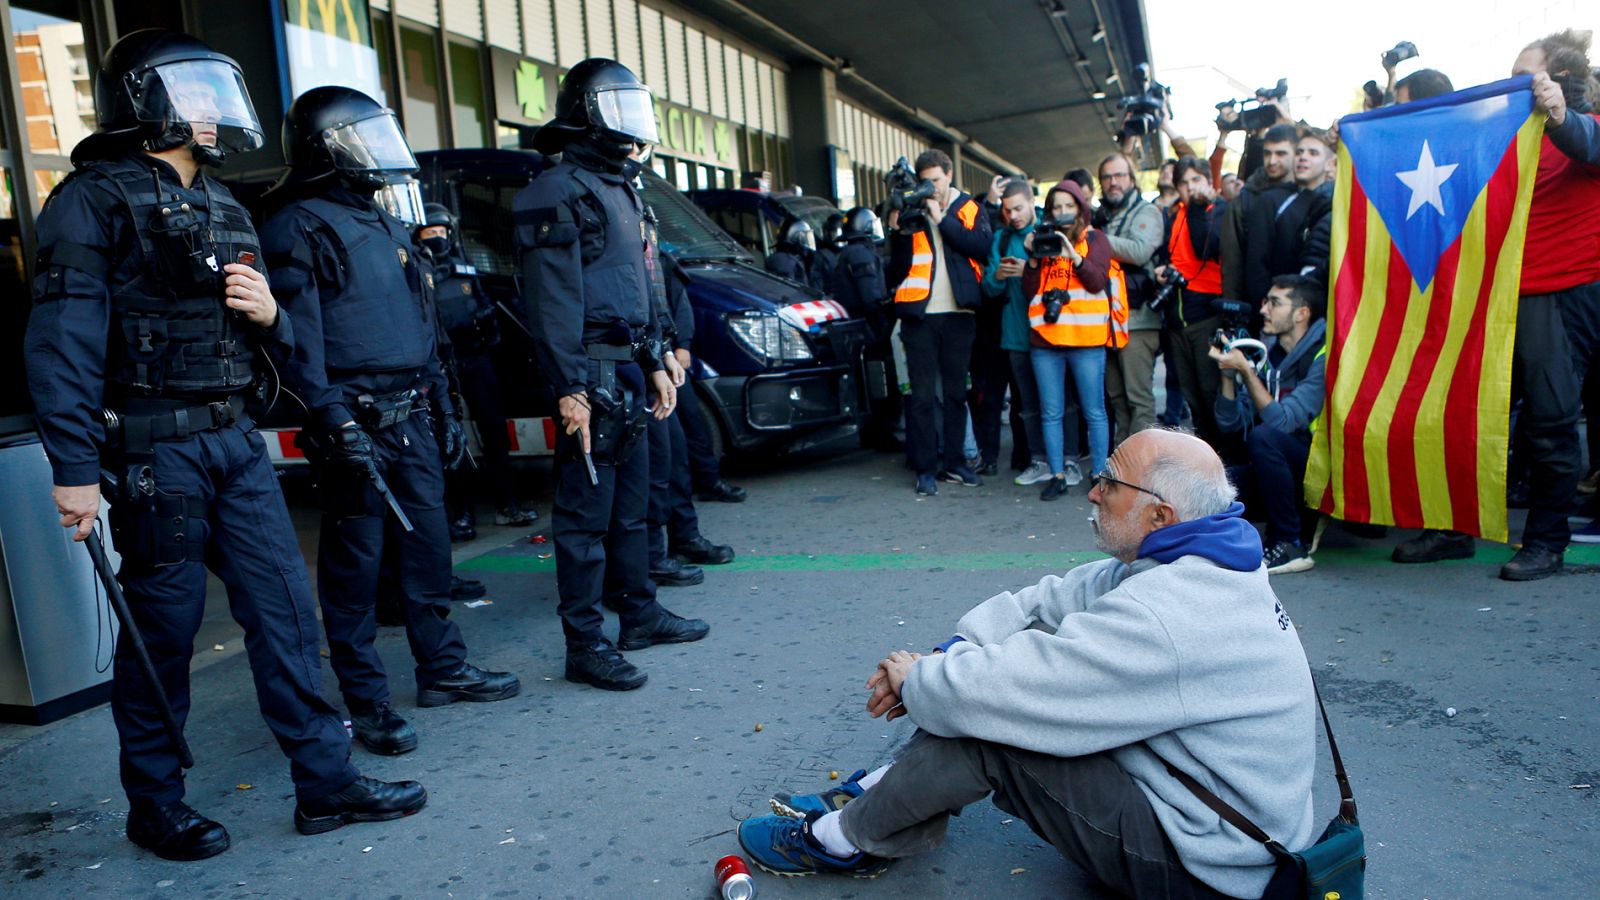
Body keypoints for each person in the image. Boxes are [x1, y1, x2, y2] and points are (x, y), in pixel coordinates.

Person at [24, 29, 426, 859]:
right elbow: (62, 346)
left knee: (286, 615)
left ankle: (326, 781)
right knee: (163, 635)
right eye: (196, 93)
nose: (212, 110)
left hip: (234, 444)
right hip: (155, 456)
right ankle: (155, 805)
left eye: (216, 94)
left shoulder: (227, 204)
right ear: (146, 101)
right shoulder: (90, 202)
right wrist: (73, 470)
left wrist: (272, 316)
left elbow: (277, 347)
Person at [734, 429, 1317, 898]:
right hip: (1209, 815)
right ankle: (880, 791)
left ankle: (842, 840)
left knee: (993, 728)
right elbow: (1048, 602)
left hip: (1212, 866)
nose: (1092, 493)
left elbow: (1001, 692)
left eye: (1109, 482)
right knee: (981, 687)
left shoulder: (1170, 611)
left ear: (1160, 516)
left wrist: (918, 680)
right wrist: (946, 655)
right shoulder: (1194, 560)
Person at [262, 86, 520, 756]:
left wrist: (444, 404)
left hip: (411, 415)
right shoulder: (296, 226)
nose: (376, 152)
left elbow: (423, 325)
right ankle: (366, 701)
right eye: (361, 139)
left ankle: (443, 669)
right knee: (356, 571)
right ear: (325, 151)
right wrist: (331, 420)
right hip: (355, 421)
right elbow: (297, 342)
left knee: (430, 552)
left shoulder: (384, 222)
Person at [515, 58, 710, 690]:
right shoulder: (555, 190)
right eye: (617, 108)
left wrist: (656, 360)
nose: (632, 123)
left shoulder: (621, 188)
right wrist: (570, 386)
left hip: (628, 368)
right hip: (591, 373)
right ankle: (584, 645)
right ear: (587, 117)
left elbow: (643, 287)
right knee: (584, 520)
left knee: (632, 509)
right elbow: (551, 302)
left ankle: (640, 616)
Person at [1394, 30, 1600, 580]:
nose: (1511, 86)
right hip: (1492, 297)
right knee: (1459, 407)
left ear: (1561, 81)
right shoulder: (1507, 136)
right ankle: (1452, 529)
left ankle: (1547, 542)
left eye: (1523, 77)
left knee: (1550, 424)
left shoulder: (1582, 128)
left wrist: (1561, 116)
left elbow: (1587, 142)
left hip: (1555, 298)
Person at [413, 202, 535, 540]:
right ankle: (461, 514)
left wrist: (486, 323)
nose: (437, 237)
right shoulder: (417, 274)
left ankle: (508, 505)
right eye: (430, 232)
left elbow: (484, 305)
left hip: (477, 358)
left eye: (442, 231)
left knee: (495, 433)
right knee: (450, 439)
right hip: (443, 366)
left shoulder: (464, 267)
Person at [887, 149, 994, 495]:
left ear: (949, 175)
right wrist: (898, 230)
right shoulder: (911, 209)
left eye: (935, 180)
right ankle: (925, 468)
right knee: (921, 396)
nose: (930, 187)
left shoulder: (969, 208)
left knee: (955, 393)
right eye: (925, 182)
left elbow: (981, 247)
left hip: (959, 314)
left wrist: (940, 218)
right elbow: (897, 269)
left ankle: (955, 462)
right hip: (919, 314)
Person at [1212, 275, 1327, 575]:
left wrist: (1248, 374)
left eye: (1274, 303)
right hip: (1279, 471)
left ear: (1302, 313)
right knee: (1213, 485)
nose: (1263, 309)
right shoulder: (1269, 353)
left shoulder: (1324, 356)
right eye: (1265, 301)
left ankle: (1289, 542)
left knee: (1264, 437)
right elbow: (1230, 424)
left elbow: (1283, 423)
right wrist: (1228, 375)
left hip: (1320, 473)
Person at [1022, 180, 1117, 500]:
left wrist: (1073, 255)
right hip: (1046, 340)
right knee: (1051, 413)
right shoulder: (1043, 239)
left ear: (1080, 208)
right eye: (1056, 207)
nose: (1062, 212)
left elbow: (1097, 281)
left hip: (1086, 339)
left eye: (1068, 206)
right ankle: (1057, 474)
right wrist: (1032, 258)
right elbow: (1029, 291)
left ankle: (1099, 474)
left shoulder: (1095, 239)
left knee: (1094, 412)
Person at [1155, 156, 1228, 446]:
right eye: (1184, 183)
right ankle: (1204, 454)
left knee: (1211, 394)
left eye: (1196, 180)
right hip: (1177, 319)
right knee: (1192, 396)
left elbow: (1204, 248)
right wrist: (1162, 269)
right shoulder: (1176, 215)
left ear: (1209, 182)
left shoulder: (1218, 210)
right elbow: (1169, 254)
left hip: (1206, 317)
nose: (1190, 187)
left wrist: (1198, 207)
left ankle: (1224, 457)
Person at [981, 178, 1049, 486]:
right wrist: (998, 275)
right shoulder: (1002, 238)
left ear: (1032, 202)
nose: (1013, 216)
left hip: (1051, 333)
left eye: (1019, 209)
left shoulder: (1047, 234)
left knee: (1058, 404)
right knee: (1026, 405)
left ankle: (1064, 460)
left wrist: (1029, 272)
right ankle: (1036, 459)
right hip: (1015, 334)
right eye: (1008, 211)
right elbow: (989, 288)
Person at [1096, 152, 1167, 441]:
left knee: (1139, 400)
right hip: (1108, 322)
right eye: (1107, 177)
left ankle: (1142, 464)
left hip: (1138, 321)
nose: (1113, 182)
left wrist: (1095, 240)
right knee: (1117, 399)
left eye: (1119, 175)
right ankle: (1122, 461)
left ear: (1132, 179)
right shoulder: (1102, 216)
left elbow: (1139, 252)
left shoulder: (1146, 212)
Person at [1221, 123, 1298, 312]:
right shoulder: (1244, 200)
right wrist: (1234, 311)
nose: (1272, 161)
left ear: (1296, 154)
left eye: (1281, 153)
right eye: (1267, 153)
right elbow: (1232, 265)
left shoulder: (1310, 193)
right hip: (1258, 307)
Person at [764, 215, 821, 291]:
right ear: (797, 237)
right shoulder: (783, 261)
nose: (807, 241)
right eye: (806, 237)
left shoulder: (793, 259)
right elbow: (787, 292)